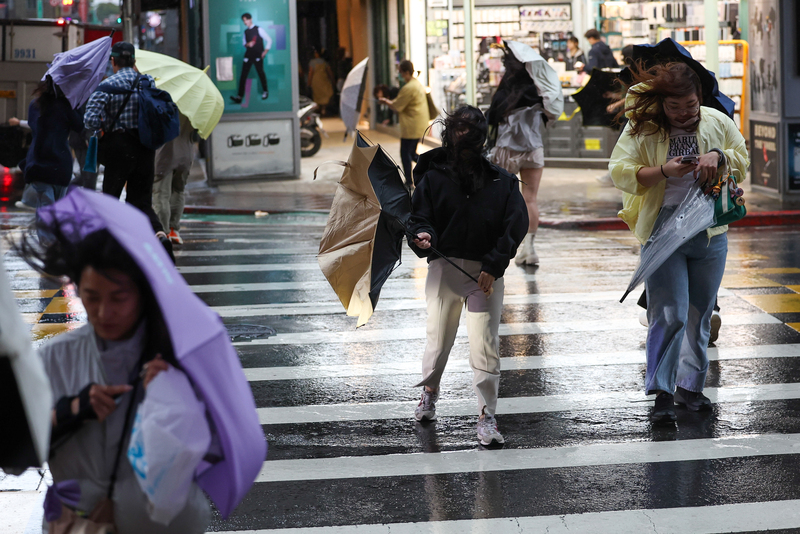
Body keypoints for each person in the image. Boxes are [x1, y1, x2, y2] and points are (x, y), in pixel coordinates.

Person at [18, 225, 211, 533]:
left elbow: (214, 446)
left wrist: (175, 399)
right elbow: (15, 453)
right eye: (91, 297)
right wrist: (71, 411)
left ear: (142, 292)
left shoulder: (182, 356)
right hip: (78, 523)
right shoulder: (55, 358)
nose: (103, 312)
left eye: (119, 298)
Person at [608, 62, 748, 424]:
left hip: (709, 230)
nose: (684, 113)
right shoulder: (646, 128)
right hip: (663, 227)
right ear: (662, 104)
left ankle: (690, 387)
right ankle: (662, 393)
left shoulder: (716, 121)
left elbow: (741, 156)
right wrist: (664, 171)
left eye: (690, 104)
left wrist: (720, 157)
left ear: (699, 97)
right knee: (669, 314)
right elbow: (620, 170)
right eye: (675, 107)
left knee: (700, 314)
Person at [408, 106, 528, 445]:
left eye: (471, 136)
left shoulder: (502, 182)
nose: (466, 143)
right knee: (439, 339)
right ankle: (430, 391)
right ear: (449, 136)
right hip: (445, 270)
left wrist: (493, 265)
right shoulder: (433, 178)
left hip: (485, 277)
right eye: (460, 134)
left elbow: (515, 225)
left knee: (485, 344)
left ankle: (487, 415)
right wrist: (423, 235)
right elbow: (420, 217)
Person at [83, 42, 171, 250]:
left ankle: (113, 245)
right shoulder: (147, 82)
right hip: (145, 147)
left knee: (111, 199)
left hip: (118, 147)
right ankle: (159, 234)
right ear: (134, 61)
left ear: (113, 61)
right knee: (141, 201)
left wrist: (105, 124)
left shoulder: (106, 86)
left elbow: (89, 120)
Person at [486, 48, 546, 265]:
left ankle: (495, 245)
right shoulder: (539, 89)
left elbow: (492, 117)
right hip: (533, 149)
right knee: (530, 199)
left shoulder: (506, 89)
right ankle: (529, 249)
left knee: (498, 198)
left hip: (507, 149)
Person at [14, 78, 83, 211]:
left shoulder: (35, 105)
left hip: (39, 162)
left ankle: (46, 231)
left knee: (46, 209)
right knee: (57, 210)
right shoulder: (66, 106)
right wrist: (76, 100)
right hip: (61, 164)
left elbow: (34, 126)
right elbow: (80, 126)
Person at [378, 60, 429, 191]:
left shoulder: (408, 87)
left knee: (406, 153)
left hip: (411, 125)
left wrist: (385, 101)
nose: (400, 75)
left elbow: (397, 106)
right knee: (411, 153)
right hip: (418, 123)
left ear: (406, 72)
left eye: (401, 72)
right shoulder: (415, 84)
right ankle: (426, 171)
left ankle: (412, 180)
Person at [152, 113, 195, 245]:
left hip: (165, 153)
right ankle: (173, 230)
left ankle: (163, 232)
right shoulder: (192, 106)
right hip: (185, 153)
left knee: (161, 194)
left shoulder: (163, 102)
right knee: (178, 191)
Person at [230, 13, 272, 104]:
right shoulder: (245, 32)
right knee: (243, 75)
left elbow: (269, 40)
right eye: (244, 21)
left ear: (251, 19)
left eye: (246, 20)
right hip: (248, 55)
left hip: (257, 55)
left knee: (261, 73)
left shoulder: (259, 29)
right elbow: (244, 44)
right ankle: (239, 96)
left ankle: (265, 91)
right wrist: (247, 44)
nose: (245, 22)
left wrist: (264, 52)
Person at [307, 48, 335, 115]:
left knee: (317, 94)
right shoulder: (324, 62)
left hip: (316, 80)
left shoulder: (312, 62)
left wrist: (309, 82)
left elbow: (311, 73)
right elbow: (329, 72)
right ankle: (323, 108)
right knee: (325, 93)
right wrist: (333, 80)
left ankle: (319, 108)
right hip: (323, 79)